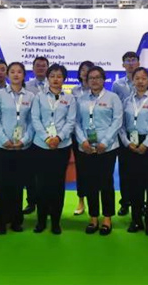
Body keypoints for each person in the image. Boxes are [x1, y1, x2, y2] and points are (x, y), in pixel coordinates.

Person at [75, 66, 123, 236]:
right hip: (86, 148)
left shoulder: (113, 98)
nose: (94, 81)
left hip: (107, 148)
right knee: (90, 183)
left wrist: (105, 142)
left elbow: (117, 121)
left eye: (98, 77)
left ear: (104, 79)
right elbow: (76, 122)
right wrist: (83, 141)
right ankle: (93, 217)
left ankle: (107, 218)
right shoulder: (81, 99)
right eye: (91, 78)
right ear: (87, 81)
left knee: (106, 182)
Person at [0, 62, 35, 234]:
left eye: (19, 72)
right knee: (0, 186)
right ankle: (1, 221)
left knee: (17, 186)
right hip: (0, 147)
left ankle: (16, 220)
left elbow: (32, 122)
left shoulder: (30, 96)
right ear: (8, 75)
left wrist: (24, 140)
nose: (16, 74)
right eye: (12, 72)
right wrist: (4, 140)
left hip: (21, 148)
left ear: (24, 75)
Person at [31, 64, 77, 234]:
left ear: (64, 79)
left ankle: (56, 222)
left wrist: (58, 138)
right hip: (41, 146)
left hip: (61, 146)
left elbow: (71, 121)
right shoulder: (39, 97)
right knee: (41, 184)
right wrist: (46, 138)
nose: (56, 79)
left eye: (59, 76)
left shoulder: (70, 99)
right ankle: (41, 220)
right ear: (48, 78)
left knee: (57, 184)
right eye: (52, 76)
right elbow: (35, 119)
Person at [119, 67, 148, 236]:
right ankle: (136, 220)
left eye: (144, 78)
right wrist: (126, 142)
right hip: (131, 145)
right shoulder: (126, 101)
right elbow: (121, 126)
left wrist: (146, 144)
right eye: (137, 78)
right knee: (134, 185)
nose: (140, 81)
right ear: (133, 81)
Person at [112, 51, 140, 216]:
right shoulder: (117, 85)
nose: (130, 63)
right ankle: (125, 202)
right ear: (123, 64)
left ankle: (140, 202)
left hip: (140, 130)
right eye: (127, 61)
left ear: (138, 62)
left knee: (141, 170)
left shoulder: (144, 81)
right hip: (123, 130)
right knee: (125, 170)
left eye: (133, 60)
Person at [23, 56, 50, 214]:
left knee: (46, 174)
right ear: (33, 69)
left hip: (48, 137)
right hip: (29, 136)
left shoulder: (53, 85)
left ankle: (46, 203)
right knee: (30, 173)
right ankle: (31, 202)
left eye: (43, 66)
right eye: (37, 66)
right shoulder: (26, 87)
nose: (40, 68)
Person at [71, 60, 94, 215]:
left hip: (95, 137)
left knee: (94, 171)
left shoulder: (100, 92)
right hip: (78, 136)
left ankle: (95, 203)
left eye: (88, 70)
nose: (85, 72)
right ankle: (81, 200)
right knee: (81, 170)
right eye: (83, 69)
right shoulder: (74, 91)